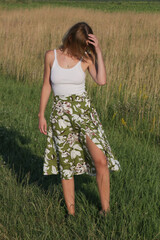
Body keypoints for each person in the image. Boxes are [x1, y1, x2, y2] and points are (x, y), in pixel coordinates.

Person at [38, 22, 121, 217]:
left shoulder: (87, 57)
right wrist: (41, 114)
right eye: (81, 45)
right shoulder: (51, 56)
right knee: (66, 166)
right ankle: (71, 214)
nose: (83, 49)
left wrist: (98, 51)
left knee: (101, 160)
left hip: (84, 113)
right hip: (60, 115)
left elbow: (101, 81)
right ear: (70, 40)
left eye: (86, 45)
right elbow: (46, 85)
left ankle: (105, 211)